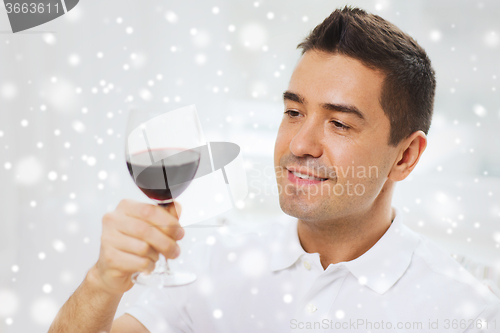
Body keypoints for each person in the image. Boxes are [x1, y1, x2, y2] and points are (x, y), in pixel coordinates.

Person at [49, 6, 500, 333]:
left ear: (405, 157)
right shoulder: (210, 264)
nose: (300, 145)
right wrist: (103, 282)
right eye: (293, 112)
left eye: (339, 123)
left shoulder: (464, 313)